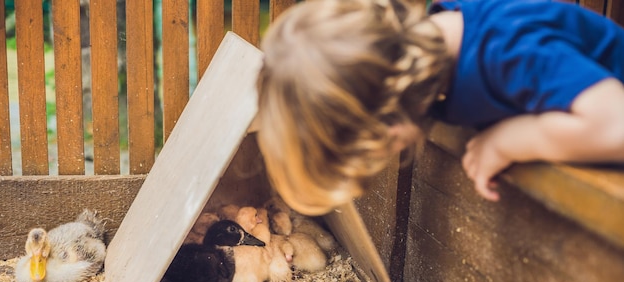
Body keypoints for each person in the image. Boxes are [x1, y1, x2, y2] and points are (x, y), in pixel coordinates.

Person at [256, 0, 624, 214]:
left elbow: (615, 126)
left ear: (389, 129)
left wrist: (510, 141)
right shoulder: (446, 50)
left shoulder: (507, 48)